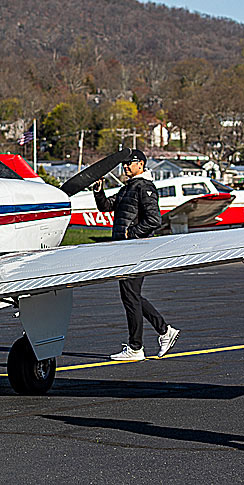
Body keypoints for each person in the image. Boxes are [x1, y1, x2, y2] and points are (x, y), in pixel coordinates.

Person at [93, 149, 180, 361]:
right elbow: (106, 207)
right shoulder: (128, 187)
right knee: (131, 296)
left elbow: (154, 220)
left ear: (141, 164)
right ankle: (164, 331)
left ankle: (136, 347)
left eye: (129, 163)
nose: (125, 166)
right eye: (124, 164)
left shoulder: (144, 187)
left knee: (130, 296)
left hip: (136, 249)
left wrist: (131, 234)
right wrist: (98, 191)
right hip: (125, 249)